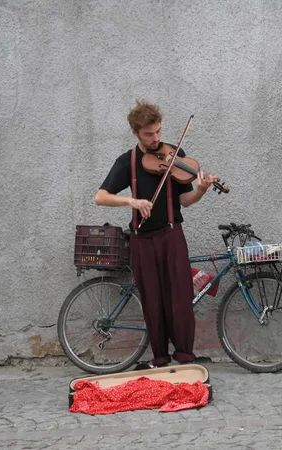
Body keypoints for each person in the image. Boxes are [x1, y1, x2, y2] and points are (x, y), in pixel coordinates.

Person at [95, 100, 217, 369]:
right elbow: (100, 197)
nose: (156, 139)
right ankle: (160, 358)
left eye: (159, 132)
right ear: (135, 133)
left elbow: (185, 200)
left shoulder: (175, 154)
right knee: (153, 299)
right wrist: (132, 202)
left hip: (172, 235)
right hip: (142, 240)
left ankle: (185, 357)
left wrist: (201, 190)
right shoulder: (127, 161)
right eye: (149, 134)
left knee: (180, 299)